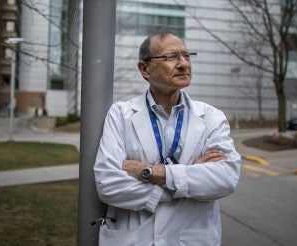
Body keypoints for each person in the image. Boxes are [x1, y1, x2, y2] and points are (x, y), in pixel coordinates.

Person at [93, 28, 241, 245]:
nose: (184, 63)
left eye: (187, 55)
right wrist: (186, 181)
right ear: (145, 68)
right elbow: (108, 185)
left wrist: (150, 171)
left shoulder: (211, 117)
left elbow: (225, 179)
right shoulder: (121, 114)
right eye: (172, 57)